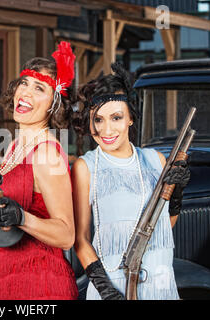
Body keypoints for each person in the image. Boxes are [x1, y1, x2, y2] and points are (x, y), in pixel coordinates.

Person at [70, 62, 191, 300]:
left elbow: (163, 227)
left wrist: (176, 197)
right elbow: (80, 240)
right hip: (112, 284)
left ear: (130, 119)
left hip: (160, 281)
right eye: (98, 119)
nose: (106, 129)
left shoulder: (155, 159)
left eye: (116, 117)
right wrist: (106, 290)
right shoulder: (85, 166)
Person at [0, 41, 79, 300]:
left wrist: (23, 218)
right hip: (10, 281)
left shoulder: (47, 153)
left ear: (53, 104)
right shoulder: (15, 145)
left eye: (39, 88)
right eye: (24, 83)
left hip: (42, 285)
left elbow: (67, 235)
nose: (25, 92)